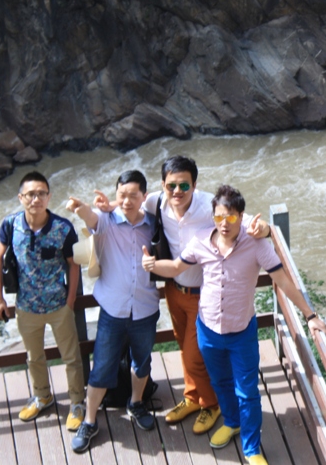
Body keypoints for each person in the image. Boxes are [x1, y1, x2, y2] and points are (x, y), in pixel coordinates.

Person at [142, 184, 326, 465]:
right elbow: (177, 268)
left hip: (241, 332)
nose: (224, 223)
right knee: (220, 381)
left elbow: (282, 280)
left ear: (241, 216)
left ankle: (252, 448)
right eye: (219, 217)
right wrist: (152, 265)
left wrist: (310, 316)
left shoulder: (256, 245)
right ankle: (231, 422)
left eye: (230, 217)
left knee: (248, 391)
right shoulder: (202, 241)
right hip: (208, 330)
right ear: (212, 216)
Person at [94, 155, 271, 436]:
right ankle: (192, 397)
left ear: (194, 184)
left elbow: (248, 222)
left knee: (194, 354)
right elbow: (134, 201)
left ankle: (211, 405)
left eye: (184, 186)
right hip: (174, 289)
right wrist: (111, 205)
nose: (177, 192)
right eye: (171, 186)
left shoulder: (208, 207)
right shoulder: (158, 201)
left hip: (204, 295)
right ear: (163, 186)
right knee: (182, 347)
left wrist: (266, 229)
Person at [66, 170, 160, 454]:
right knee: (102, 367)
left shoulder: (154, 224)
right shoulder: (105, 219)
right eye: (122, 195)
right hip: (113, 311)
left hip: (145, 308)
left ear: (144, 196)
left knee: (142, 363)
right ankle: (91, 421)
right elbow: (90, 219)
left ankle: (136, 403)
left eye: (133, 195)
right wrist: (81, 207)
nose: (127, 200)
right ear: (115, 195)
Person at [0, 171, 86, 431]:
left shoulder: (62, 228)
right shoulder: (10, 225)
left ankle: (77, 403)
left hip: (58, 306)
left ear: (49, 196)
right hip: (26, 307)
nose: (36, 198)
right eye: (31, 194)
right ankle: (42, 396)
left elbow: (73, 265)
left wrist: (70, 301)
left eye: (41, 193)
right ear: (21, 197)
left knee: (71, 357)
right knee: (34, 357)